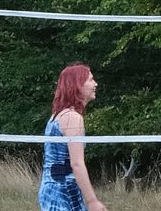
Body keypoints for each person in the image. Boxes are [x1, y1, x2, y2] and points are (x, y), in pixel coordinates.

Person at [38, 63, 108, 211]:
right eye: (90, 80)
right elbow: (76, 164)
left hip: (53, 188)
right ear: (78, 85)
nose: (95, 84)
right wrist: (92, 201)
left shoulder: (57, 116)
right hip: (62, 190)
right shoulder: (72, 117)